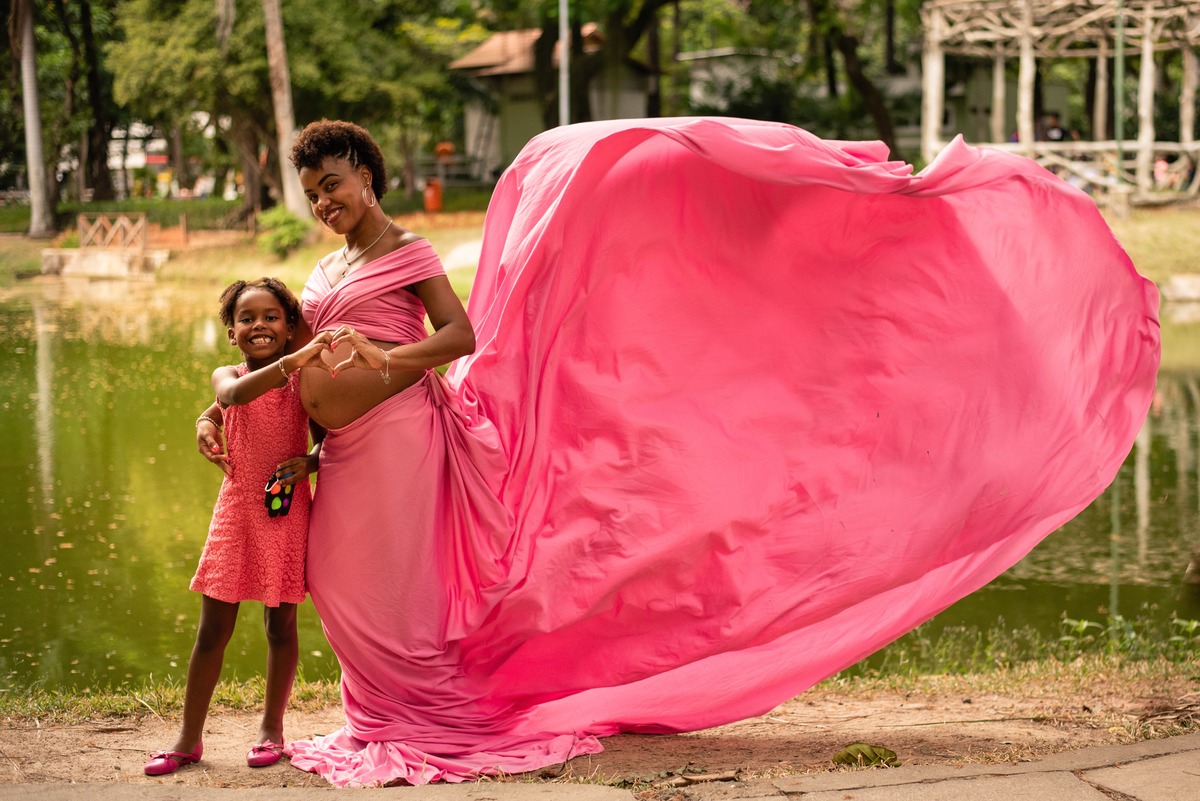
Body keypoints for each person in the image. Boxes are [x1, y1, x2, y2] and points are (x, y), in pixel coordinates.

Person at [197, 118, 1159, 787]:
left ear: (366, 174)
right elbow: (285, 353)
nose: (324, 201)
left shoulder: (407, 254)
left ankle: (423, 721)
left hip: (404, 441)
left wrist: (383, 352)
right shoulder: (324, 267)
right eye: (313, 191)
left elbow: (460, 342)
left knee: (389, 588)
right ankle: (378, 716)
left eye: (335, 183)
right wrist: (239, 417)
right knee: (343, 584)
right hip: (339, 449)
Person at [148, 278, 327, 776]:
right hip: (235, 512)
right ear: (231, 332)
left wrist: (310, 464)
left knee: (280, 623)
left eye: (272, 317)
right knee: (212, 630)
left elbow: (329, 439)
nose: (259, 326)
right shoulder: (226, 373)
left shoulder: (303, 382)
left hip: (285, 508)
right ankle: (188, 739)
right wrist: (206, 419)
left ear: (290, 327)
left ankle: (272, 729)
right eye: (247, 319)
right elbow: (233, 394)